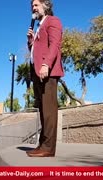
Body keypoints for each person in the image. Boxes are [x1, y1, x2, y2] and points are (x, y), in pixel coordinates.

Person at [26, 0, 64, 157]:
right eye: (32, 6)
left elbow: (55, 44)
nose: (33, 8)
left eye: (36, 5)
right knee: (42, 111)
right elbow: (36, 50)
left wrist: (46, 65)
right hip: (37, 73)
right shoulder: (39, 26)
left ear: (45, 6)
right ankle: (42, 145)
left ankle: (48, 148)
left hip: (47, 72)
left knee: (49, 111)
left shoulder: (53, 21)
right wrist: (31, 41)